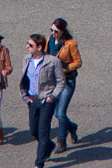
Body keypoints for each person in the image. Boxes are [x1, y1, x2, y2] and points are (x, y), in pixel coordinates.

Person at [19, 33, 66, 168]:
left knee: (43, 132)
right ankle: (49, 145)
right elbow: (24, 79)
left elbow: (61, 81)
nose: (27, 46)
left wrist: (52, 96)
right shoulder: (27, 59)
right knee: (33, 130)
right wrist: (25, 95)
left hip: (46, 101)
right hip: (32, 101)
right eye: (27, 43)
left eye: (30, 45)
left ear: (39, 47)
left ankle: (39, 163)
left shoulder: (52, 61)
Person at [47, 18, 82, 152]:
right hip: (54, 81)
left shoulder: (70, 44)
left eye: (56, 31)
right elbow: (46, 55)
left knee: (61, 112)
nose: (53, 33)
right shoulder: (50, 39)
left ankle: (61, 141)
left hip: (67, 81)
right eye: (51, 30)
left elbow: (78, 62)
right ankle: (72, 127)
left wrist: (65, 68)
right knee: (56, 112)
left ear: (62, 31)